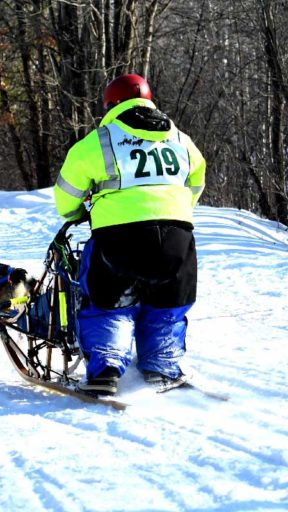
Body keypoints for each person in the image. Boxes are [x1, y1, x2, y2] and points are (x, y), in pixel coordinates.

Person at [53, 74, 206, 396]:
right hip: (178, 236)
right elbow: (196, 180)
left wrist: (76, 213)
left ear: (110, 105)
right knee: (167, 304)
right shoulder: (181, 139)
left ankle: (106, 371)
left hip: (119, 237)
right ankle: (162, 367)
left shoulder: (100, 140)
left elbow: (66, 193)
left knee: (109, 303)